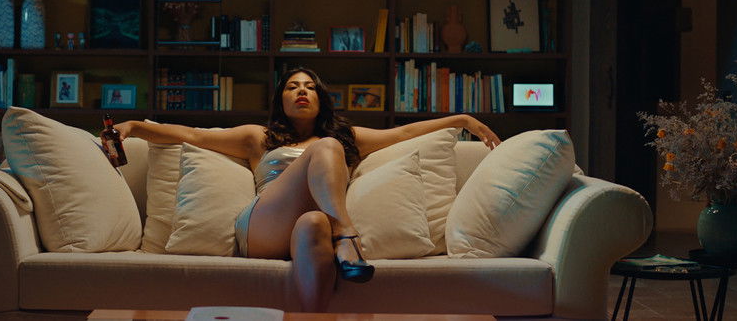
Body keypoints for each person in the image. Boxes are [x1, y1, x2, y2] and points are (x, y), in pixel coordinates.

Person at [114, 67, 500, 312]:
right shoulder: (258, 137)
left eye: (310, 87)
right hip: (264, 227)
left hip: (313, 230)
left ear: (320, 99)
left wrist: (463, 119)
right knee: (327, 148)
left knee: (315, 220)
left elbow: (405, 133)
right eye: (293, 86)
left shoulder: (347, 138)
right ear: (281, 99)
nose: (302, 91)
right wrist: (133, 125)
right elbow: (192, 135)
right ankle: (347, 236)